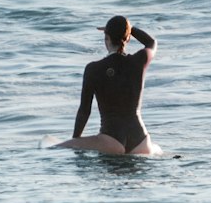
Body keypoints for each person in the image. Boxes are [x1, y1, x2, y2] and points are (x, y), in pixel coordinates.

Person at [54, 16, 161, 155]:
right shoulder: (138, 61)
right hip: (141, 140)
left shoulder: (93, 69)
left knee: (52, 147)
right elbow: (151, 42)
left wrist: (76, 140)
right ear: (128, 38)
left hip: (111, 139)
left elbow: (84, 110)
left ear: (107, 38)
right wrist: (129, 29)